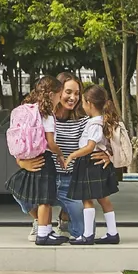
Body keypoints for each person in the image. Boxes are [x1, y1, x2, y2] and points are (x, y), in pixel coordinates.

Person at [64, 85, 123, 244]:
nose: (81, 105)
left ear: (89, 103)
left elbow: (89, 147)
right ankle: (112, 233)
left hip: (90, 164)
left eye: (83, 101)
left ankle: (88, 235)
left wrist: (71, 156)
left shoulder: (95, 124)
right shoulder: (101, 120)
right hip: (96, 164)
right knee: (104, 200)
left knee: (87, 200)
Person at [5, 79, 62, 245]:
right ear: (51, 95)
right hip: (44, 159)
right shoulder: (47, 114)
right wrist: (60, 154)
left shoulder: (29, 110)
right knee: (45, 199)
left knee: (36, 196)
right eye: (58, 95)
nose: (59, 99)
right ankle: (44, 235)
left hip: (31, 157)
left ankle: (45, 231)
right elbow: (51, 143)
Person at [46, 73, 89, 240]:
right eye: (68, 92)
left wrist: (106, 154)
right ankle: (39, 222)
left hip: (69, 181)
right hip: (46, 177)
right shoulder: (44, 117)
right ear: (57, 93)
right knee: (18, 188)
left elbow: (94, 143)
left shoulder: (83, 120)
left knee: (83, 232)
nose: (73, 97)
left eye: (77, 93)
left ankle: (65, 218)